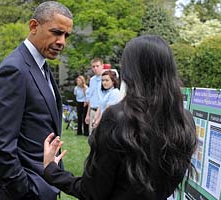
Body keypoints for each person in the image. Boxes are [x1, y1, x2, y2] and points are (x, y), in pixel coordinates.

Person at [42, 35, 198, 200]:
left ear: (131, 71)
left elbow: (93, 192)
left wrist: (52, 171)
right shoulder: (184, 120)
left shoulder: (118, 118)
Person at [0, 1, 73, 200]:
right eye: (57, 32)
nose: (62, 42)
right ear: (34, 26)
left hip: (44, 184)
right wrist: (27, 189)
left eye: (66, 35)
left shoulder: (41, 65)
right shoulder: (14, 69)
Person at [85, 58, 104, 134]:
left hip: (102, 111)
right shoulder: (92, 80)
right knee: (92, 136)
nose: (95, 68)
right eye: (93, 66)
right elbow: (90, 98)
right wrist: (87, 114)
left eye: (97, 66)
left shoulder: (106, 79)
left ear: (102, 66)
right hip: (93, 111)